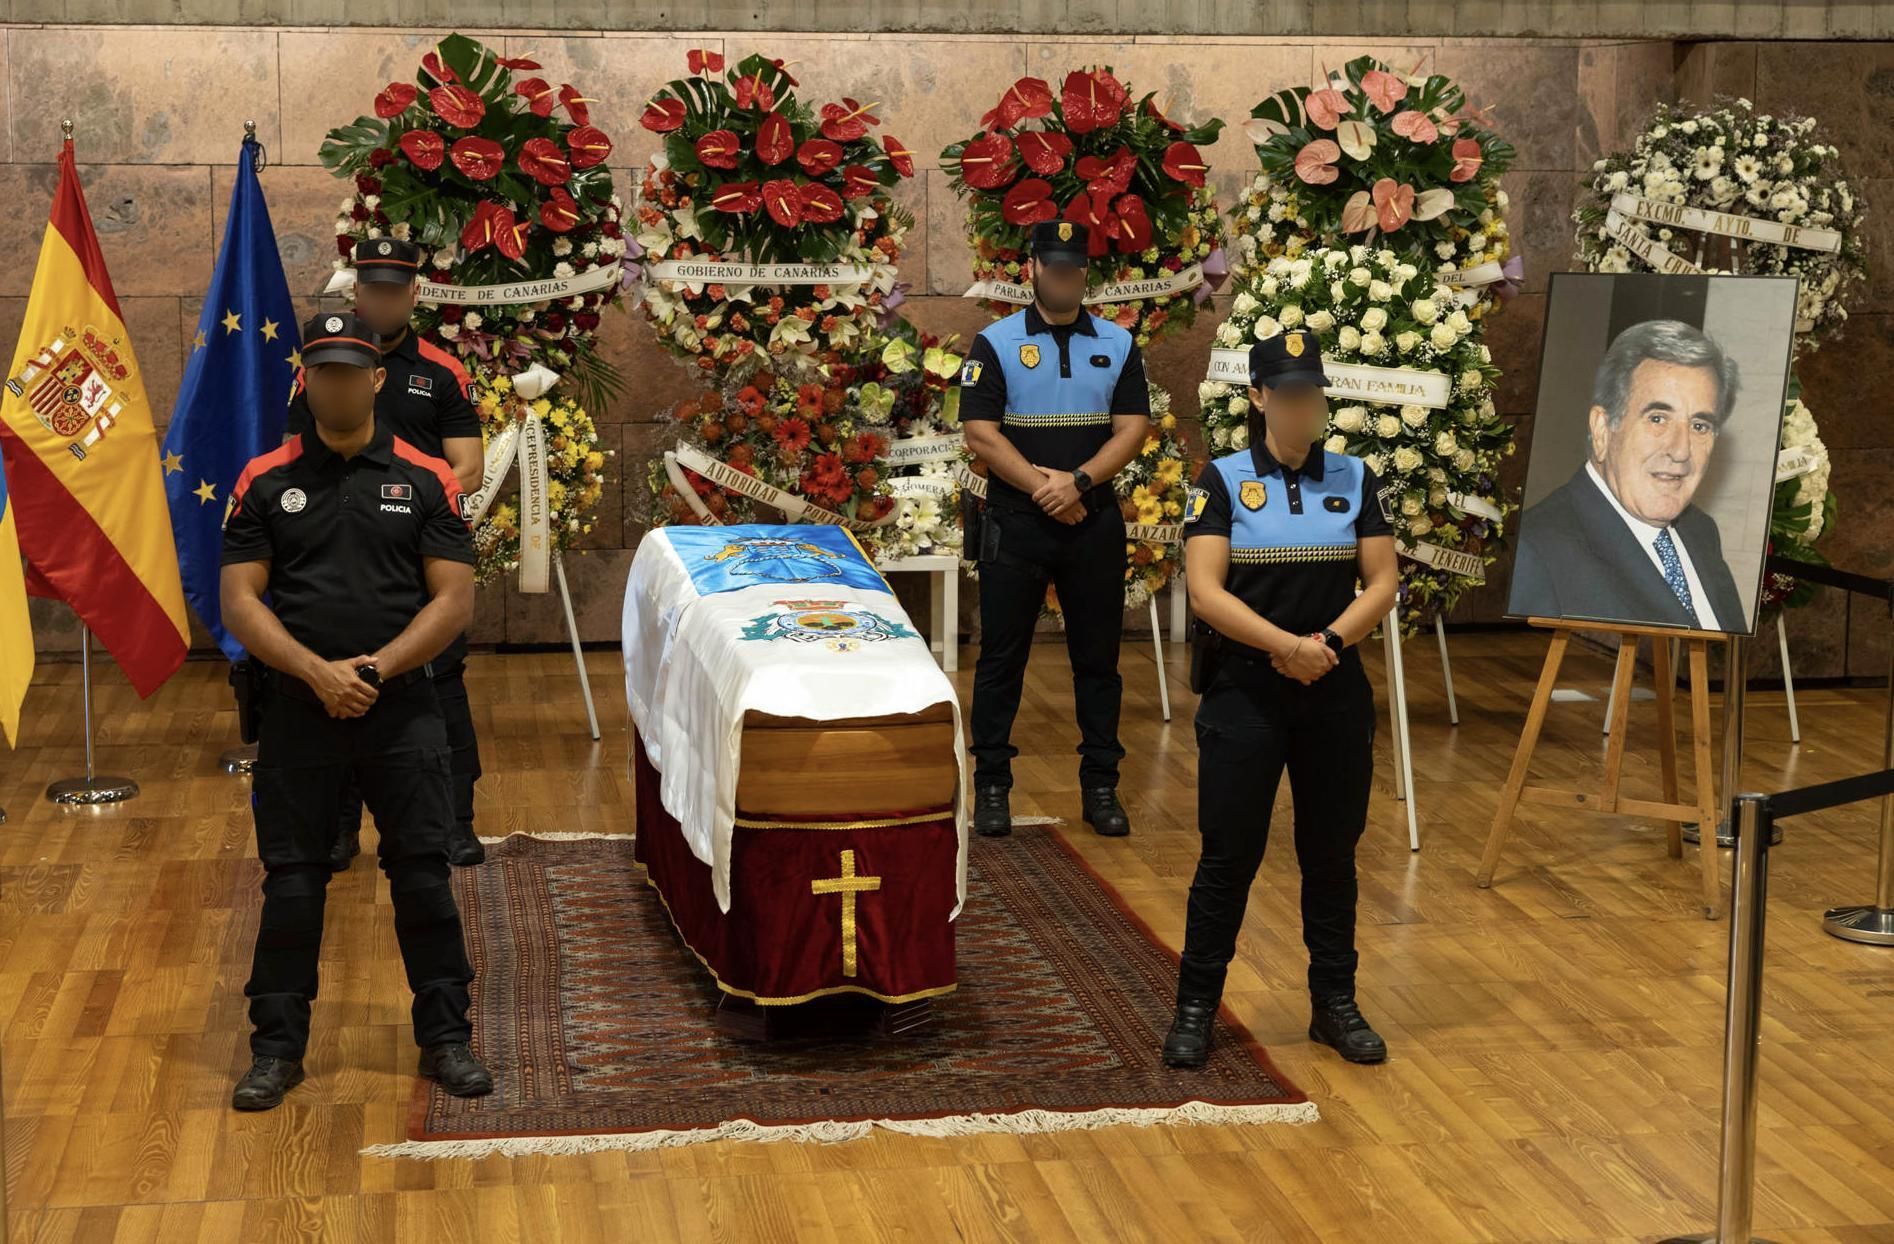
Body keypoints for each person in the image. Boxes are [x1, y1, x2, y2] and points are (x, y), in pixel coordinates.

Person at [221, 311, 493, 1111]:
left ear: (377, 379)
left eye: (351, 371)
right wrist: (316, 673)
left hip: (403, 709)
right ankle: (276, 1050)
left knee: (423, 877)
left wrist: (373, 670)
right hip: (297, 712)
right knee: (293, 884)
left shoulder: (428, 478)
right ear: (304, 380)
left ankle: (447, 1040)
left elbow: (454, 601)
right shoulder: (262, 479)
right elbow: (240, 600)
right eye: (322, 372)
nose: (336, 385)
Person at [1163, 330, 1399, 1070]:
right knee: (1229, 855)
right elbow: (1205, 592)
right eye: (1289, 395)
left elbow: (1383, 582)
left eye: (1313, 395)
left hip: (1334, 690)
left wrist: (1324, 643)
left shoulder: (1356, 477)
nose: (1304, 408)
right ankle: (1196, 1008)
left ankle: (1335, 1004)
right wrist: (1284, 647)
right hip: (1246, 694)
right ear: (1260, 398)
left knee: (1332, 854)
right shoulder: (1222, 480)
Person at [288, 237, 488, 870]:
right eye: (372, 290)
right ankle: (340, 828)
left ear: (413, 294)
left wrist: (401, 502)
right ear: (357, 292)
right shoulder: (322, 364)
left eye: (394, 291)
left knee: (440, 685)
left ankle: (454, 823)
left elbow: (469, 467)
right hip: (336, 547)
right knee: (338, 685)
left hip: (418, 544)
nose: (382, 301)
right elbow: (294, 459)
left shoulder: (441, 372)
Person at [959, 219, 1152, 839]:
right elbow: (980, 433)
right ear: (1034, 269)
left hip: (1092, 522)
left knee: (1099, 661)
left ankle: (1101, 786)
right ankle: (992, 785)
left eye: (1075, 269)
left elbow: (1132, 428)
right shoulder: (994, 343)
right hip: (1016, 523)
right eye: (1055, 267)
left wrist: (1080, 483)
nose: (1065, 278)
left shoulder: (1118, 343)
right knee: (1001, 659)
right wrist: (1047, 491)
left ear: (1085, 273)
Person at [1509, 318, 1746, 630]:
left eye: (1699, 426)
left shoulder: (1701, 532)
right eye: (1657, 418)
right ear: (1602, 430)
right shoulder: (1534, 551)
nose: (1681, 451)